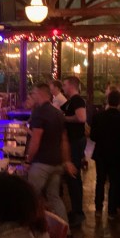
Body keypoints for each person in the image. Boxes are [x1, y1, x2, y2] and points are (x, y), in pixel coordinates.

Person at [25, 83, 74, 222]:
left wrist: (28, 160)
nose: (32, 96)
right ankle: (65, 230)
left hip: (42, 163)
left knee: (29, 196)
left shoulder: (39, 113)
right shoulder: (58, 113)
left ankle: (28, 228)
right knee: (54, 198)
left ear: (40, 94)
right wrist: (66, 161)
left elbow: (36, 140)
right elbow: (64, 140)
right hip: (56, 163)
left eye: (34, 93)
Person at [90, 90, 120, 219]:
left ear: (108, 100)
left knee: (100, 181)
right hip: (117, 154)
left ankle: (98, 208)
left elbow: (93, 136)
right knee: (114, 182)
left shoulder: (98, 116)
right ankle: (111, 211)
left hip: (101, 153)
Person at [60, 76, 87, 228]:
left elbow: (81, 118)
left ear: (71, 85)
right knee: (71, 177)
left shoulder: (77, 100)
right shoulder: (70, 101)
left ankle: (78, 212)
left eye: (64, 84)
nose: (63, 87)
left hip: (76, 141)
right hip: (73, 141)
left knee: (74, 175)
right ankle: (75, 210)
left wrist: (64, 118)